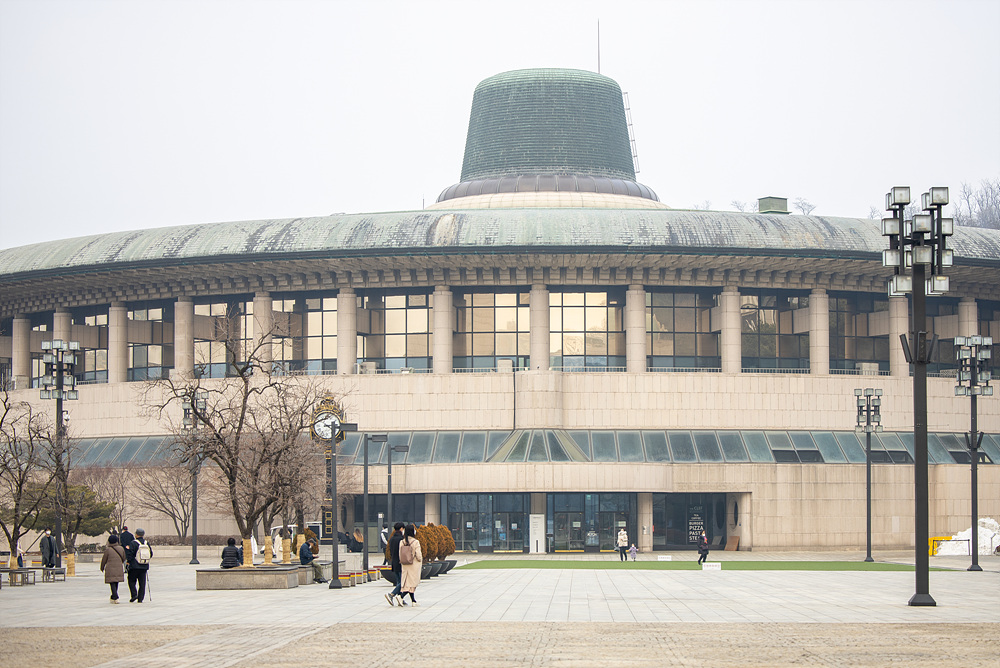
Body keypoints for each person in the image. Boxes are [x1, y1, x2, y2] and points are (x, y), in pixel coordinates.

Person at [397, 523, 423, 607]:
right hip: (413, 565)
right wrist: (420, 560)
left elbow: (400, 554)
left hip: (405, 564)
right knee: (412, 583)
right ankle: (401, 596)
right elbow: (418, 555)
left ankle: (413, 601)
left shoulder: (402, 542)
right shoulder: (415, 542)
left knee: (407, 583)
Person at [124, 527, 152, 603]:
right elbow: (151, 554)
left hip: (134, 566)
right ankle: (140, 598)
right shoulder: (146, 543)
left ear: (136, 534)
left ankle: (134, 594)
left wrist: (128, 562)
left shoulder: (133, 543)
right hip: (144, 566)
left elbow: (130, 554)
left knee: (131, 581)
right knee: (142, 583)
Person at [100, 534, 127, 604]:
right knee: (116, 582)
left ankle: (116, 596)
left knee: (112, 583)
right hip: (119, 568)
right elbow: (124, 558)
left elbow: (104, 560)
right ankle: (113, 596)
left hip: (110, 568)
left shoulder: (108, 550)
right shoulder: (121, 548)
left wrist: (102, 567)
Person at [383, 522, 405, 606]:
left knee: (399, 581)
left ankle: (400, 598)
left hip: (394, 562)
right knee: (402, 582)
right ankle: (392, 594)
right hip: (400, 562)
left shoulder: (391, 539)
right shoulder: (401, 539)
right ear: (401, 529)